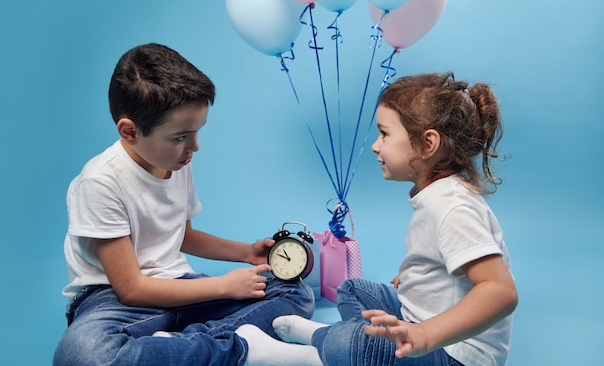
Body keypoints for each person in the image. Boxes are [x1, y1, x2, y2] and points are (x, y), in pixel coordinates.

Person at [53, 43, 315, 366]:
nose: (194, 147)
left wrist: (245, 252)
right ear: (130, 131)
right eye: (181, 137)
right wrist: (222, 286)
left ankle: (174, 348)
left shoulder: (178, 163)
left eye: (196, 133)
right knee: (80, 354)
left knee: (295, 293)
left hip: (180, 289)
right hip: (116, 303)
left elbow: (182, 234)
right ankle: (239, 347)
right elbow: (131, 290)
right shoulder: (99, 183)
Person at [236, 72, 518, 365]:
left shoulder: (453, 207)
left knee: (354, 343)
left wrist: (424, 335)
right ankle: (346, 343)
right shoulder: (436, 194)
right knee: (353, 289)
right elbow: (443, 260)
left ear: (427, 144)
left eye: (385, 134)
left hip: (452, 353)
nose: (375, 145)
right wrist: (417, 278)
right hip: (419, 318)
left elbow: (500, 292)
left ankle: (315, 354)